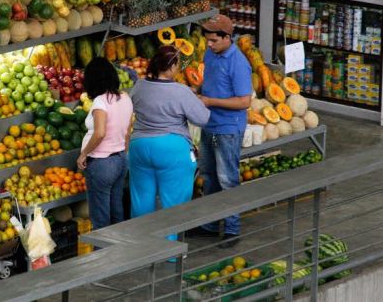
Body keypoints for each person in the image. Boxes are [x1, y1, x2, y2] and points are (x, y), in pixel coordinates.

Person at [128, 46, 210, 238]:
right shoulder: (180, 91)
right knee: (173, 204)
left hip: (139, 147)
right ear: (172, 66)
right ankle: (171, 252)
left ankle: (140, 247)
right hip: (172, 149)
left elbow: (133, 107)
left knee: (141, 200)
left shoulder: (139, 86)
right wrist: (199, 101)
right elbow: (202, 118)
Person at [196, 14, 252, 248]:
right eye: (207, 40)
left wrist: (210, 101)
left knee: (228, 179)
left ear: (227, 37)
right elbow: (209, 81)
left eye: (213, 41)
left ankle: (232, 229)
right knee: (209, 177)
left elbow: (244, 101)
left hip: (227, 129)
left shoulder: (238, 63)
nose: (209, 45)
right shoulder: (211, 53)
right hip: (208, 124)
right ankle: (210, 225)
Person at [78, 57, 133, 230]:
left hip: (102, 164)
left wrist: (84, 154)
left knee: (100, 217)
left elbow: (100, 132)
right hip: (120, 160)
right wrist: (123, 151)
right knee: (116, 209)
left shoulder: (101, 102)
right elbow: (128, 130)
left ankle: (102, 254)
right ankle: (120, 250)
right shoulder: (125, 97)